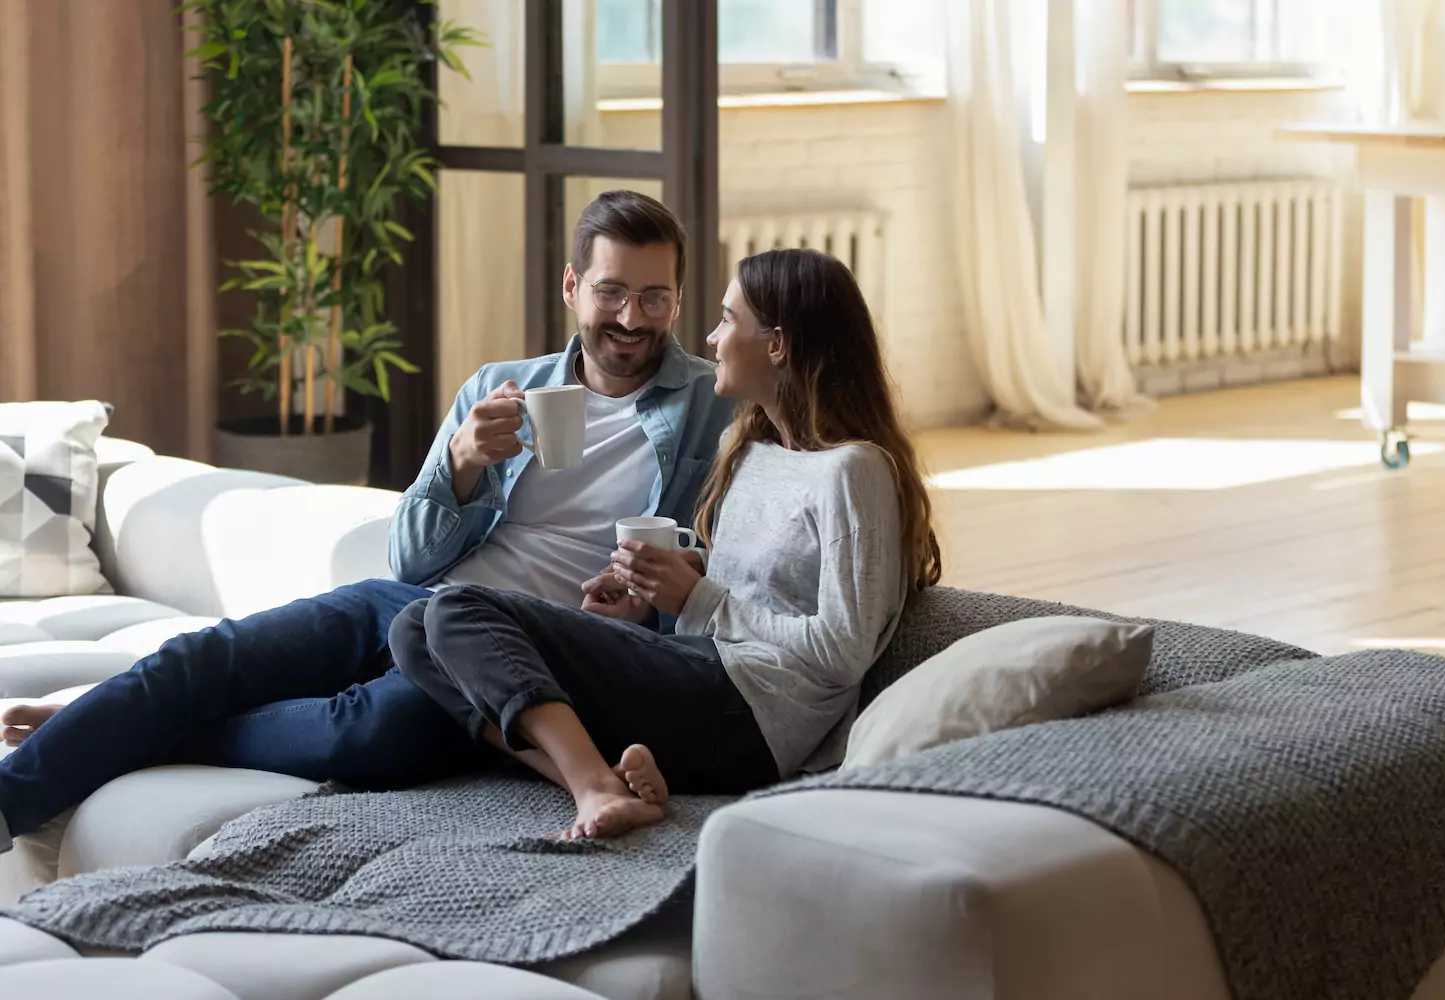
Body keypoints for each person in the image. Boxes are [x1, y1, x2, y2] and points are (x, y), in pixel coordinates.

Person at [0, 190, 734, 850]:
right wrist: (461, 460)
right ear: (573, 288)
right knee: (205, 659)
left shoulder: (717, 408)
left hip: (521, 656)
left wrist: (662, 589)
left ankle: (108, 728)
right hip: (414, 606)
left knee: (370, 732)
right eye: (611, 293)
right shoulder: (502, 387)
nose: (632, 320)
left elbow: (724, 569)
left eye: (655, 299)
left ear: (678, 299)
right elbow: (410, 560)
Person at [389, 248, 943, 839]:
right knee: (414, 629)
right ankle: (599, 779)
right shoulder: (751, 449)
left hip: (757, 714)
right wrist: (653, 591)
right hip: (701, 677)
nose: (710, 336)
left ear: (777, 344)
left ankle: (594, 787)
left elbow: (842, 652)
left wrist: (698, 597)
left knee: (457, 607)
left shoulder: (852, 470)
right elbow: (759, 583)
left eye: (729, 320)